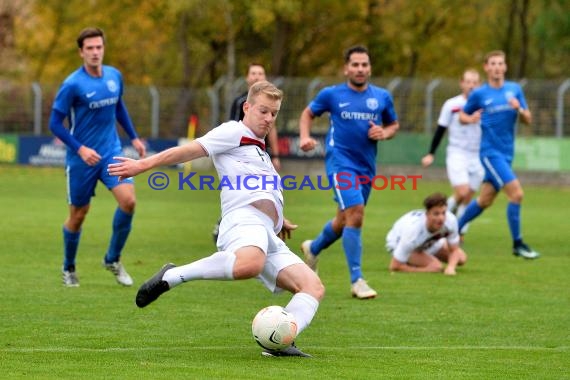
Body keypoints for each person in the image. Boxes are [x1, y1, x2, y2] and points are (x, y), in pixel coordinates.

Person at [108, 81, 324, 358]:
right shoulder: (234, 131)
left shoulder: (259, 149)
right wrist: (143, 164)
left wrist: (280, 220)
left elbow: (260, 190)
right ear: (247, 107)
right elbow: (188, 150)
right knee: (250, 264)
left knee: (312, 286)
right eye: (263, 111)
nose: (269, 118)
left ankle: (280, 341)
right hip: (243, 221)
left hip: (265, 231)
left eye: (274, 113)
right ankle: (172, 275)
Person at [298, 45, 399, 299]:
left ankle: (313, 247)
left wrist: (384, 133)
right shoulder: (331, 95)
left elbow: (393, 124)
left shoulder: (382, 97)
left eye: (364, 64)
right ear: (346, 68)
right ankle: (357, 280)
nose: (360, 69)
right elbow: (308, 113)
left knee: (344, 220)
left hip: (366, 166)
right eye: (355, 64)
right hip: (340, 163)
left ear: (370, 67)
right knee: (356, 213)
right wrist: (304, 137)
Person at [49, 27, 146, 287]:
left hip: (111, 152)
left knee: (129, 201)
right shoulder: (72, 84)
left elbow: (118, 106)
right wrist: (79, 148)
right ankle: (69, 267)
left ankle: (112, 259)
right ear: (81, 52)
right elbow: (55, 123)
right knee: (79, 215)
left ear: (104, 48)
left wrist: (134, 136)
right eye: (89, 48)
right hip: (81, 159)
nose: (95, 52)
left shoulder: (114, 76)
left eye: (98, 47)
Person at [457, 50, 540, 259]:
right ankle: (518, 244)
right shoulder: (480, 94)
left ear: (505, 67)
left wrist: (519, 109)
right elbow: (462, 116)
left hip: (507, 153)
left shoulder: (514, 90)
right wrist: (471, 118)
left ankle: (453, 230)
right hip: (490, 153)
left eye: (500, 63)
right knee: (517, 194)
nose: (496, 67)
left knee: (484, 200)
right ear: (486, 67)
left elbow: (528, 119)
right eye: (492, 63)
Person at [211, 63, 282, 244]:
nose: (257, 76)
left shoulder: (270, 102)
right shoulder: (240, 101)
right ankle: (226, 223)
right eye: (253, 73)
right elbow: (234, 128)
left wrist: (275, 155)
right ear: (247, 78)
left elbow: (272, 130)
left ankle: (266, 222)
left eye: (261, 73)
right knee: (238, 191)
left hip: (261, 155)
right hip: (241, 154)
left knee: (266, 190)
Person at [421, 69, 484, 233]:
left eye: (475, 82)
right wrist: (431, 153)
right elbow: (440, 129)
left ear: (480, 85)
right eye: (468, 81)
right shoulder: (452, 104)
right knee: (462, 192)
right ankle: (440, 218)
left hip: (478, 155)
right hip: (457, 153)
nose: (471, 85)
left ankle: (459, 230)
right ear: (461, 83)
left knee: (467, 197)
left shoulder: (485, 105)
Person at [386, 193, 468, 276]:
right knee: (436, 266)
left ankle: (424, 258)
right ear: (427, 214)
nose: (441, 218)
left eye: (443, 213)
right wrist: (425, 269)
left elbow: (454, 249)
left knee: (461, 258)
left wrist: (451, 268)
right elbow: (394, 266)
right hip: (398, 244)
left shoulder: (450, 220)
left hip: (428, 244)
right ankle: (414, 261)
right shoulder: (413, 231)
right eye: (436, 214)